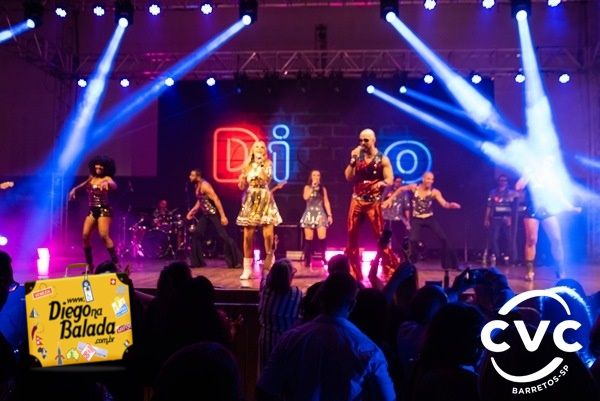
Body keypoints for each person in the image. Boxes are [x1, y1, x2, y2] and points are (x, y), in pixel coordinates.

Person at [256, 272, 396, 401]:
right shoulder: (369, 350)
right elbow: (387, 398)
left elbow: (264, 390)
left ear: (321, 299)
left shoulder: (290, 339)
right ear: (353, 304)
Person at [344, 128, 399, 280]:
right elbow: (348, 177)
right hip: (357, 199)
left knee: (380, 235)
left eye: (366, 140)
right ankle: (353, 271)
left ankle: (389, 269)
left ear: (373, 140)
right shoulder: (357, 155)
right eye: (360, 140)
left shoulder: (383, 159)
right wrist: (352, 161)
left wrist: (382, 183)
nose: (362, 143)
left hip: (373, 202)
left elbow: (390, 179)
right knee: (351, 234)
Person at [236, 141, 282, 280]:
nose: (260, 149)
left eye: (262, 147)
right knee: (247, 236)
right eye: (257, 146)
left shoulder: (268, 164)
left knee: (268, 235)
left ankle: (270, 266)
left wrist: (261, 165)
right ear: (253, 150)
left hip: (264, 198)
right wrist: (241, 180)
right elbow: (241, 186)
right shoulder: (247, 165)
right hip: (251, 199)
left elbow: (266, 179)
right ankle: (247, 269)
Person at [69, 155, 118, 270]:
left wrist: (108, 184)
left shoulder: (107, 178)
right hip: (92, 210)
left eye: (101, 166)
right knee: (85, 236)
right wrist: (74, 189)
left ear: (106, 167)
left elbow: (114, 186)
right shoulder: (92, 177)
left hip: (103, 210)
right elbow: (84, 184)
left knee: (104, 236)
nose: (98, 167)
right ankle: (90, 265)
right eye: (97, 165)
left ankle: (116, 263)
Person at [186, 169, 242, 268]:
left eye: (192, 175)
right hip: (206, 215)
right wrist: (192, 211)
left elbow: (216, 199)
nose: (190, 177)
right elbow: (200, 200)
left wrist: (223, 216)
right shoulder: (197, 185)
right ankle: (197, 262)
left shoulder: (205, 185)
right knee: (196, 234)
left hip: (214, 214)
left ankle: (237, 261)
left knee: (224, 236)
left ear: (198, 177)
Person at [516, 176, 567, 281]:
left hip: (547, 209)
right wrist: (528, 173)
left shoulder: (547, 174)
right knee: (531, 239)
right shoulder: (529, 175)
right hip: (532, 209)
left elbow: (558, 190)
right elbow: (518, 187)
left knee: (556, 239)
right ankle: (529, 271)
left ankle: (560, 269)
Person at [408, 171, 461, 270]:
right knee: (413, 240)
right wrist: (390, 199)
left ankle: (449, 264)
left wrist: (450, 205)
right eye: (428, 179)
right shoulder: (415, 188)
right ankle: (411, 262)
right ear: (423, 179)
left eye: (432, 179)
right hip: (417, 219)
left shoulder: (434, 192)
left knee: (444, 239)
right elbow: (401, 189)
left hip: (429, 218)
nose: (430, 181)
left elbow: (444, 204)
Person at [258, 259, 302, 371]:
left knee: (266, 372)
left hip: (266, 343)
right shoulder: (296, 293)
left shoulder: (265, 290)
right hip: (287, 343)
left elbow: (265, 273)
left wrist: (269, 259)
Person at [299, 170, 333, 267]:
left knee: (322, 237)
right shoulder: (307, 187)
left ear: (320, 177)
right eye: (314, 175)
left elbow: (326, 202)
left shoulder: (323, 189)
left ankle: (323, 257)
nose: (316, 177)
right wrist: (312, 187)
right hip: (309, 213)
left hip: (320, 214)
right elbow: (305, 197)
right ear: (311, 177)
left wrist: (329, 215)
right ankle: (308, 259)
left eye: (318, 175)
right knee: (308, 238)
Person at [483, 174, 518, 264]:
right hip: (495, 217)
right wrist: (486, 218)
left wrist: (511, 218)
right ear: (498, 181)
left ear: (507, 182)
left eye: (505, 180)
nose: (503, 182)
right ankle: (497, 257)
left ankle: (511, 258)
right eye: (501, 180)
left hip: (507, 217)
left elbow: (514, 207)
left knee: (509, 238)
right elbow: (489, 206)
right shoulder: (493, 192)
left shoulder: (511, 193)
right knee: (494, 238)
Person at [382, 176, 412, 253]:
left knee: (399, 239)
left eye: (400, 182)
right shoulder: (387, 190)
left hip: (398, 218)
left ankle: (399, 256)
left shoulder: (404, 193)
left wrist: (408, 221)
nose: (399, 183)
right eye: (397, 181)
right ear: (394, 182)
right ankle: (383, 255)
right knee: (385, 239)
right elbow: (381, 202)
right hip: (386, 218)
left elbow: (407, 208)